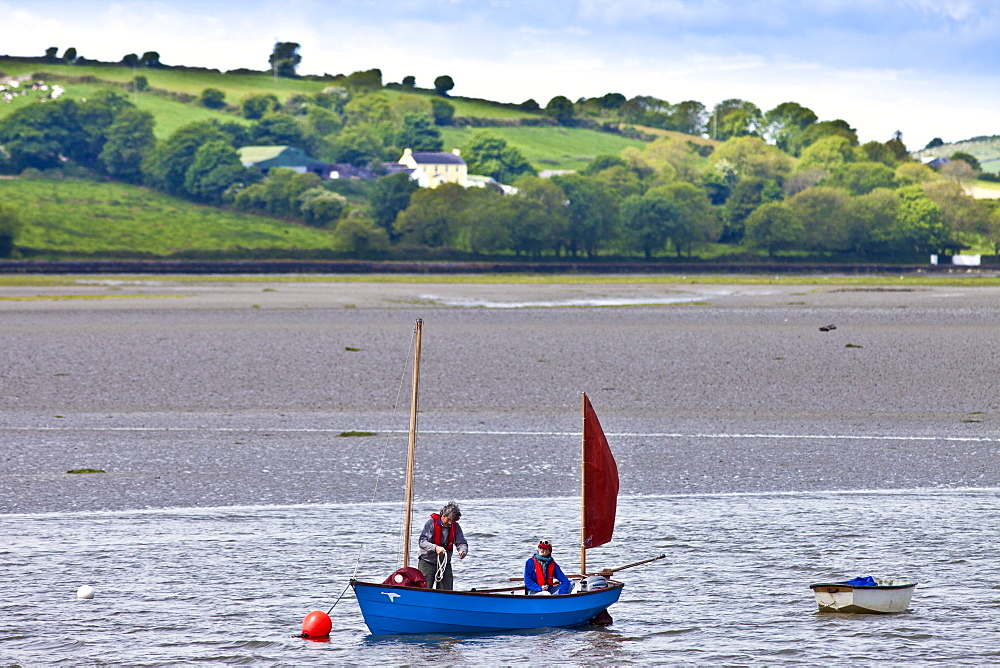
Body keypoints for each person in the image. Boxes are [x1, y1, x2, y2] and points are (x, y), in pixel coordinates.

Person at [417, 501, 468, 590]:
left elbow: (462, 542)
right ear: (443, 515)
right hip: (427, 562)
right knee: (424, 589)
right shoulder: (431, 523)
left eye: (453, 521)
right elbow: (422, 541)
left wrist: (462, 550)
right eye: (448, 519)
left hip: (445, 563)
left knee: (447, 590)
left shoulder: (455, 527)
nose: (450, 523)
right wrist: (435, 548)